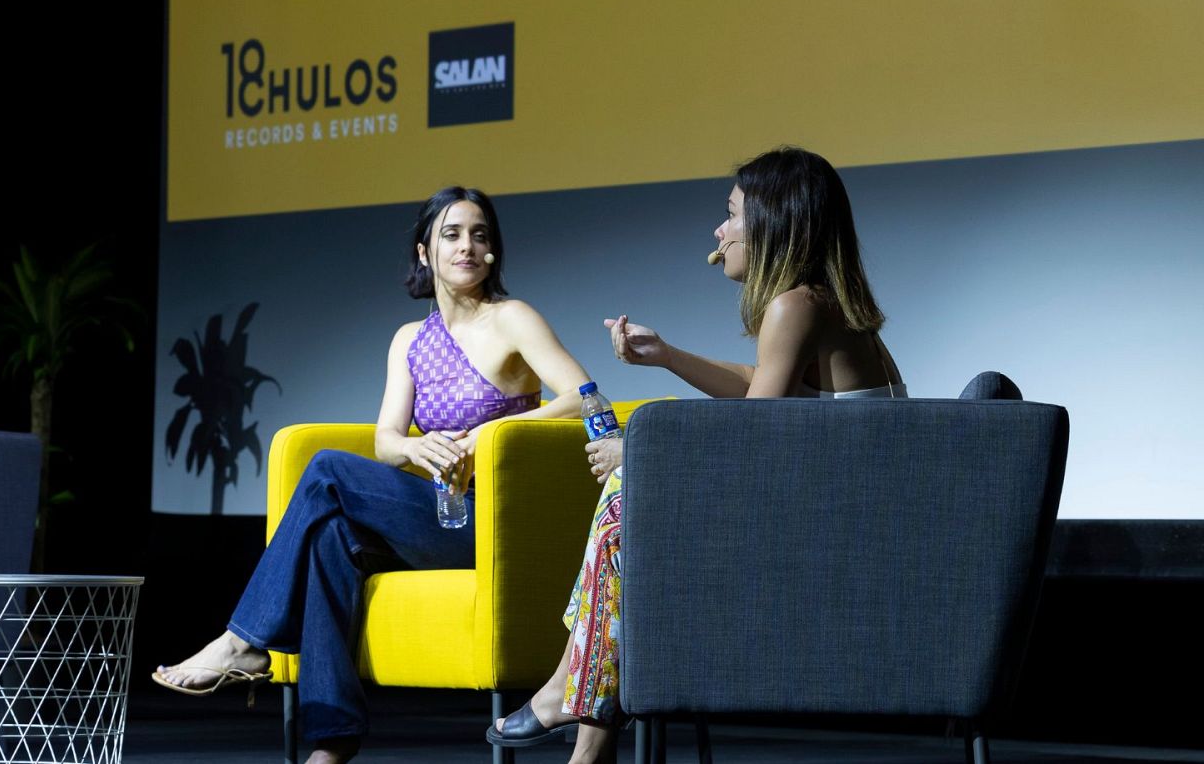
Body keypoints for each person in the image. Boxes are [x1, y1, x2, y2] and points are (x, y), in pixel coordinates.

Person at [489, 147, 906, 764]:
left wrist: (644, 454)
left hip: (829, 544)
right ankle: (582, 718)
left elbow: (750, 439)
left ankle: (571, 698)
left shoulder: (796, 305)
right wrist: (667, 356)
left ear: (773, 223)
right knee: (627, 505)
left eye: (731, 213)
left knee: (628, 498)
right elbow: (764, 384)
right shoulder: (823, 303)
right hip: (839, 520)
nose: (719, 230)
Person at [154, 187, 593, 764]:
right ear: (423, 253)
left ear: (493, 253)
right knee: (332, 539)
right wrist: (418, 451)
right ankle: (331, 742)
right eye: (452, 234)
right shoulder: (410, 340)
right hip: (432, 514)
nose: (467, 245)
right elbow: (387, 440)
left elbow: (586, 399)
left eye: (480, 234)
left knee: (328, 469)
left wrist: (490, 436)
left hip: (492, 525)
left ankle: (243, 641)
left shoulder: (511, 318)